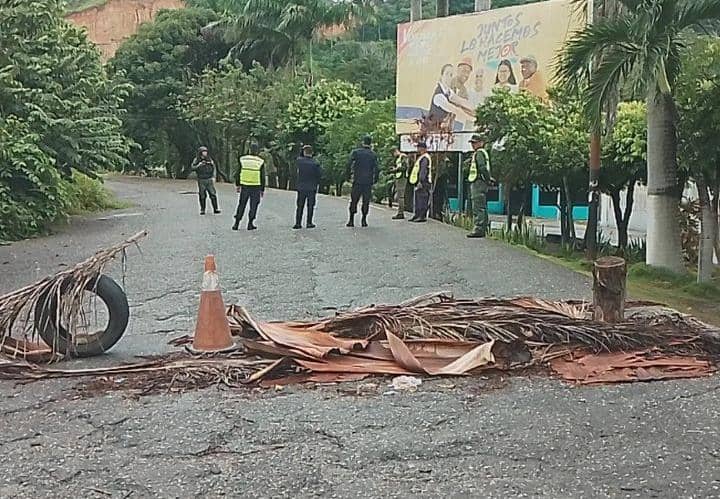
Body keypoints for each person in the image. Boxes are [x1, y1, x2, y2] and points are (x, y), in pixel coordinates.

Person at [427, 64, 475, 132]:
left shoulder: (448, 92)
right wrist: (473, 119)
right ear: (441, 76)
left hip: (442, 131)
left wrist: (478, 110)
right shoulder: (438, 96)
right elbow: (455, 110)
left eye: (451, 75)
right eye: (447, 74)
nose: (448, 78)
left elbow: (461, 101)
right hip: (432, 132)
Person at [346, 135, 379, 228]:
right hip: (368, 181)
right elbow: (377, 168)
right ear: (370, 143)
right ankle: (364, 219)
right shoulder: (373, 154)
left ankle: (351, 219)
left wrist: (348, 176)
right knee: (366, 201)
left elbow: (349, 164)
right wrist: (375, 179)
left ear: (363, 142)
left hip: (357, 180)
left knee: (354, 200)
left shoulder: (356, 152)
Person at [232, 142, 265, 231]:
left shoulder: (243, 159)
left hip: (245, 185)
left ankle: (236, 223)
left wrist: (238, 184)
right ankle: (250, 223)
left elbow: (238, 172)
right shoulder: (260, 161)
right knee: (254, 205)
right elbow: (262, 176)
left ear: (249, 149)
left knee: (242, 204)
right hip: (256, 186)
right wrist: (262, 189)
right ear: (257, 151)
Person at [466, 134, 494, 238]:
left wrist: (488, 179)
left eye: (475, 142)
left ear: (481, 143)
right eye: (472, 143)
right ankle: (482, 228)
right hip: (480, 181)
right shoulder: (481, 153)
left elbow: (482, 167)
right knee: (481, 205)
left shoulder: (479, 153)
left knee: (478, 205)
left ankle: (479, 228)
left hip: (478, 182)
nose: (473, 145)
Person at [294, 144, 323, 229]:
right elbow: (320, 175)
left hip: (301, 187)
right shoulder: (315, 163)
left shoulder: (299, 161)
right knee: (310, 206)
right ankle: (309, 222)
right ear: (312, 153)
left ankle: (298, 223)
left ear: (303, 152)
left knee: (300, 206)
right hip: (312, 187)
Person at [190, 146, 221, 215]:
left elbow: (214, 167)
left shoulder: (209, 159)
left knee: (212, 194)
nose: (205, 153)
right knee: (202, 194)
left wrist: (214, 176)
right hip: (201, 179)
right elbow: (192, 167)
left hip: (209, 179)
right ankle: (202, 209)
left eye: (206, 151)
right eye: (203, 152)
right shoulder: (196, 160)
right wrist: (199, 165)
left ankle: (215, 208)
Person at [408, 142, 432, 223]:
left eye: (419, 148)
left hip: (424, 182)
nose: (418, 149)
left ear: (423, 148)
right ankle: (417, 214)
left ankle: (422, 216)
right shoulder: (421, 157)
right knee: (418, 199)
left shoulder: (425, 158)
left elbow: (423, 171)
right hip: (418, 181)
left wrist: (420, 181)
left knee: (422, 199)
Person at [390, 147, 410, 220]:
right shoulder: (399, 158)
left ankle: (400, 213)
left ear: (396, 151)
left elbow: (404, 167)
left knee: (400, 196)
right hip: (399, 177)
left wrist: (396, 169)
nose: (393, 155)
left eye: (393, 153)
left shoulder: (403, 157)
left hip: (402, 177)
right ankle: (400, 212)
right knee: (399, 195)